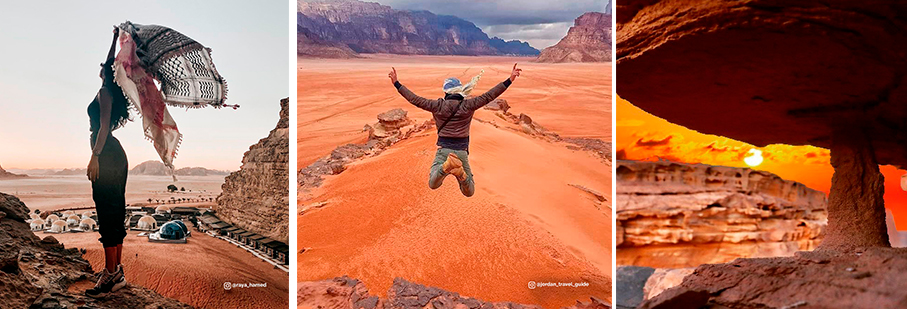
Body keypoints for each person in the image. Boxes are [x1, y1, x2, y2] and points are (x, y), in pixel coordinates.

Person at [389, 63, 522, 197]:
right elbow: (490, 96)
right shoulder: (468, 105)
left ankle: (444, 168)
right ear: (460, 90)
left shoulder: (437, 105)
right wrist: (510, 79)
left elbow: (414, 99)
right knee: (469, 191)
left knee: (433, 184)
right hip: (461, 151)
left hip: (443, 151)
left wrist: (397, 84)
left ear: (446, 91)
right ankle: (461, 175)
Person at [85, 26, 131, 298]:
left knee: (106, 212)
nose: (101, 65)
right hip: (117, 155)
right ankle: (117, 272)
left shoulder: (105, 93)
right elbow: (111, 61)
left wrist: (95, 156)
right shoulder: (111, 91)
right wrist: (114, 38)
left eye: (105, 66)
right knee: (115, 210)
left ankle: (110, 274)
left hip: (106, 153)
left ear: (109, 73)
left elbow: (103, 127)